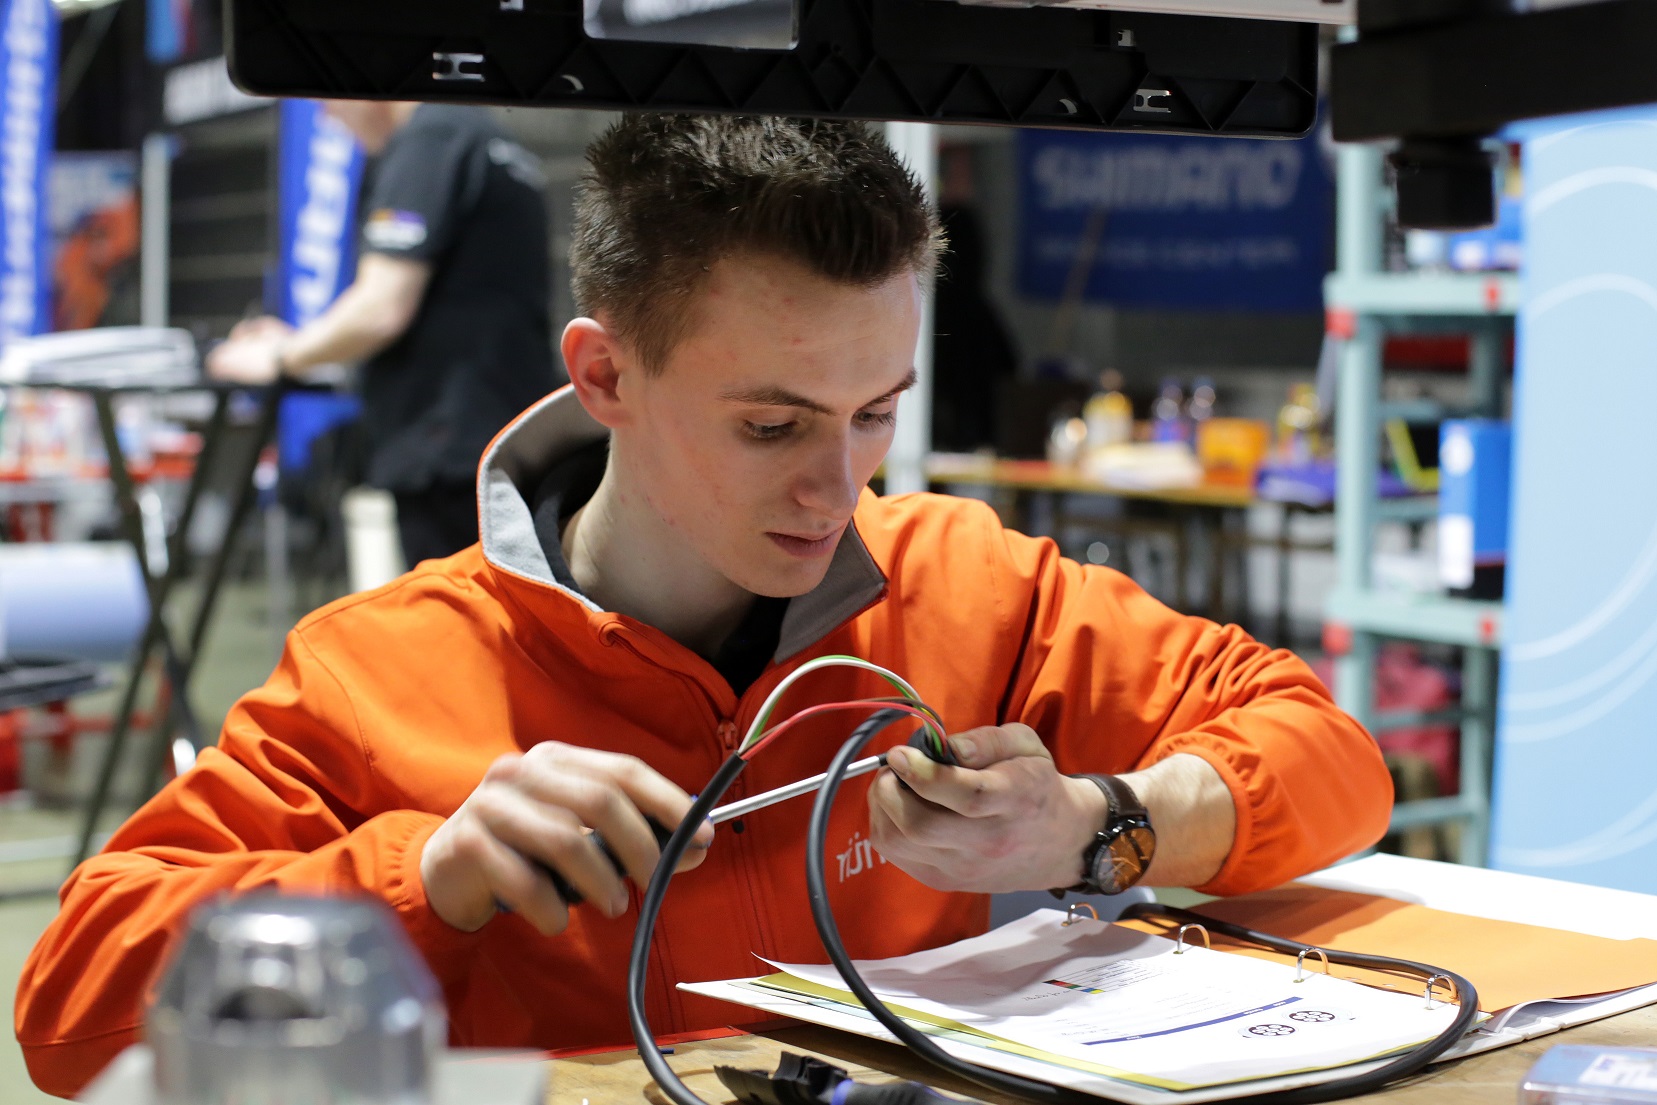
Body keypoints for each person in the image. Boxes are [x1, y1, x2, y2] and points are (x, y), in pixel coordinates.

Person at [17, 115, 1392, 1097]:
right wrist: (419, 876)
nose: (837, 487)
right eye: (771, 425)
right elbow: (66, 1011)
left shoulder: (970, 584)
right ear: (604, 376)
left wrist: (1098, 822)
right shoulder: (378, 670)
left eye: (874, 413)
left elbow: (1330, 754)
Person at [207, 101, 560, 566]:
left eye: (328, 99)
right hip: (504, 436)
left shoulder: (430, 138)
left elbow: (381, 308)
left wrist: (277, 357)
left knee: (458, 609)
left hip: (450, 452)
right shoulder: (484, 136)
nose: (329, 118)